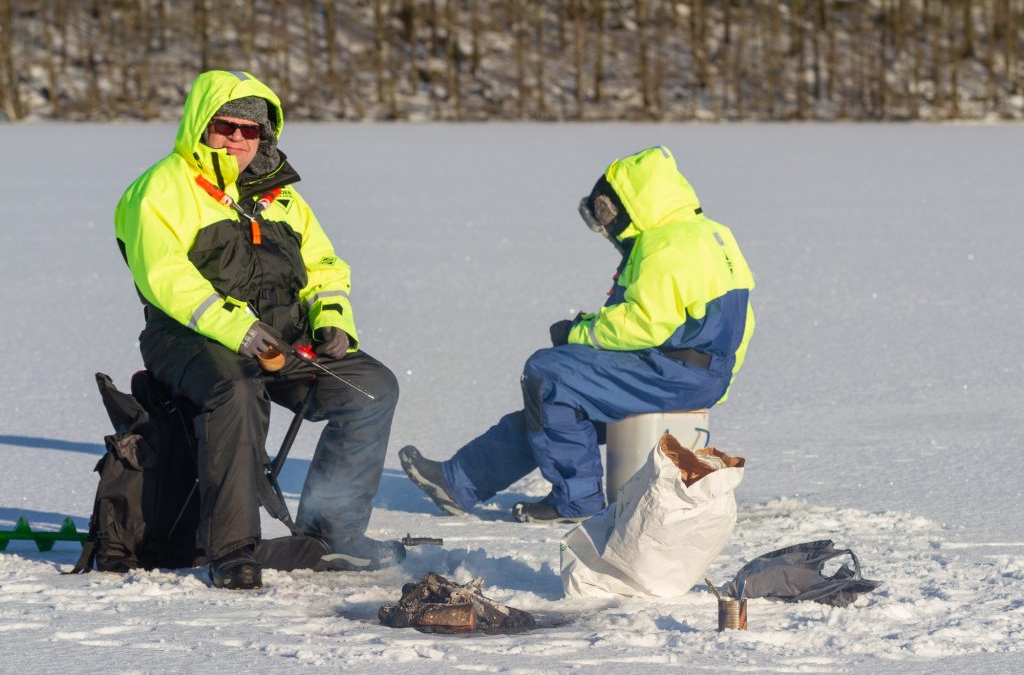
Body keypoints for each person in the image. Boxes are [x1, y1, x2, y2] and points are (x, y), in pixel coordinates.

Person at [114, 70, 402, 589]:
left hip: (279, 341)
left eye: (253, 131)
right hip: (189, 340)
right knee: (238, 390)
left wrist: (333, 320)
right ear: (202, 124)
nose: (239, 139)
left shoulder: (281, 197)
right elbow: (166, 279)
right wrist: (239, 330)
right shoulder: (159, 189)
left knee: (372, 389)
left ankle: (331, 534)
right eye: (227, 126)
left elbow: (325, 268)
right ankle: (232, 550)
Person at [400, 146, 755, 523]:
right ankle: (458, 482)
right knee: (555, 406)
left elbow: (642, 324)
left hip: (671, 373)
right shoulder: (713, 235)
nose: (607, 223)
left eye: (608, 210)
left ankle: (577, 502)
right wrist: (717, 380)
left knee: (547, 373)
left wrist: (577, 334)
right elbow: (741, 322)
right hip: (693, 375)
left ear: (634, 202)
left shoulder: (663, 245)